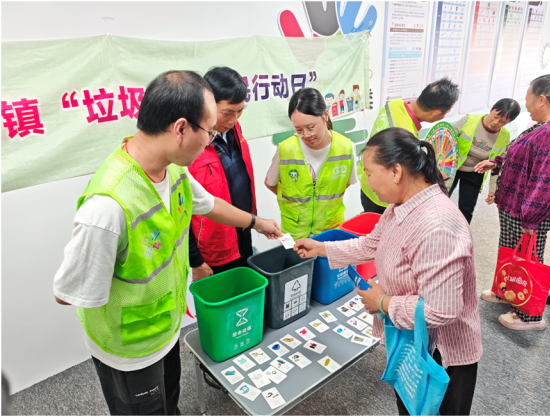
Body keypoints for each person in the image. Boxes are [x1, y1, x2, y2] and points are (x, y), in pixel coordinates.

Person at [52, 70, 281, 416]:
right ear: (180, 129)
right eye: (209, 131)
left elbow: (209, 204)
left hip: (166, 328)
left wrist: (257, 223)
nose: (211, 140)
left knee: (169, 404)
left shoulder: (173, 169)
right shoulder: (108, 207)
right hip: (130, 349)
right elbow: (68, 292)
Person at [295, 128, 482, 416]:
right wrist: (320, 248)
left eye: (369, 173)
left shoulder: (437, 225)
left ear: (396, 172)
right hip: (411, 341)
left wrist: (383, 303)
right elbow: (371, 243)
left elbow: (442, 310)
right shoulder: (400, 206)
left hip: (442, 356)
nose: (367, 182)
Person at [478, 74, 550, 330]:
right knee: (511, 251)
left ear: (541, 99)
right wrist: (496, 163)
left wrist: (531, 219)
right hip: (514, 205)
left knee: (529, 258)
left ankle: (530, 316)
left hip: (528, 211)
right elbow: (520, 154)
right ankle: (507, 292)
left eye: (528, 98)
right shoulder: (541, 126)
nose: (527, 103)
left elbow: (546, 181)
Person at [188, 67, 256, 281]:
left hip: (243, 229)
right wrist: (195, 260)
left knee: (247, 289)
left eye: (240, 111)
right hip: (214, 247)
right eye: (228, 113)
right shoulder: (190, 144)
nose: (234, 119)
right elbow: (180, 207)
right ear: (207, 104)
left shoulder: (234, 129)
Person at [265, 88, 358, 240]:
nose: (306, 135)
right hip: (293, 231)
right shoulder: (286, 149)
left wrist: (320, 199)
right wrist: (296, 201)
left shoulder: (346, 147)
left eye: (311, 127)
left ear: (325, 115)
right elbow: (270, 183)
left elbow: (346, 183)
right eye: (299, 130)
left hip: (330, 229)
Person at [359, 77, 460, 214]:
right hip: (383, 196)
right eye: (445, 113)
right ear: (437, 113)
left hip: (367, 181)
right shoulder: (405, 135)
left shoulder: (394, 105)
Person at [449, 98, 521, 223]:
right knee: (440, 199)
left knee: (466, 209)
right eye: (496, 116)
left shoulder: (504, 136)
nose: (496, 122)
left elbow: (497, 164)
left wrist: (493, 189)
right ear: (492, 108)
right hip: (452, 167)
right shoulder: (469, 119)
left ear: (509, 122)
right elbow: (447, 140)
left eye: (502, 121)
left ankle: (462, 233)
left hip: (475, 172)